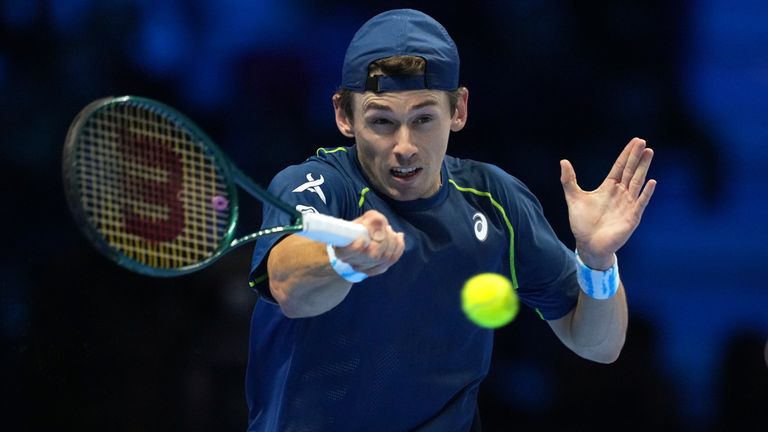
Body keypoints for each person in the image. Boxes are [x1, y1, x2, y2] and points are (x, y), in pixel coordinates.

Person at [246, 8, 656, 431]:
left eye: (423, 119)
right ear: (344, 116)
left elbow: (598, 344)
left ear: (458, 109)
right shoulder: (316, 185)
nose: (404, 146)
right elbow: (289, 287)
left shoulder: (494, 201)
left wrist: (596, 259)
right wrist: (345, 259)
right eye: (381, 121)